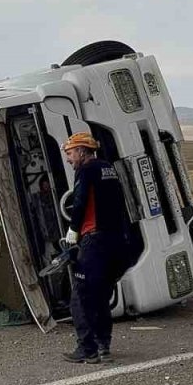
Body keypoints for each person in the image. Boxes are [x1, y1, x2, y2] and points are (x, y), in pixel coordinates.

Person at [60, 132, 142, 364]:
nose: (68, 159)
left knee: (81, 297)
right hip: (116, 242)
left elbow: (80, 200)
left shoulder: (85, 170)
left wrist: (73, 230)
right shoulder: (108, 168)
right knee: (101, 295)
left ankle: (87, 350)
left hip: (94, 242)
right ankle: (103, 346)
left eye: (70, 153)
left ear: (82, 151)